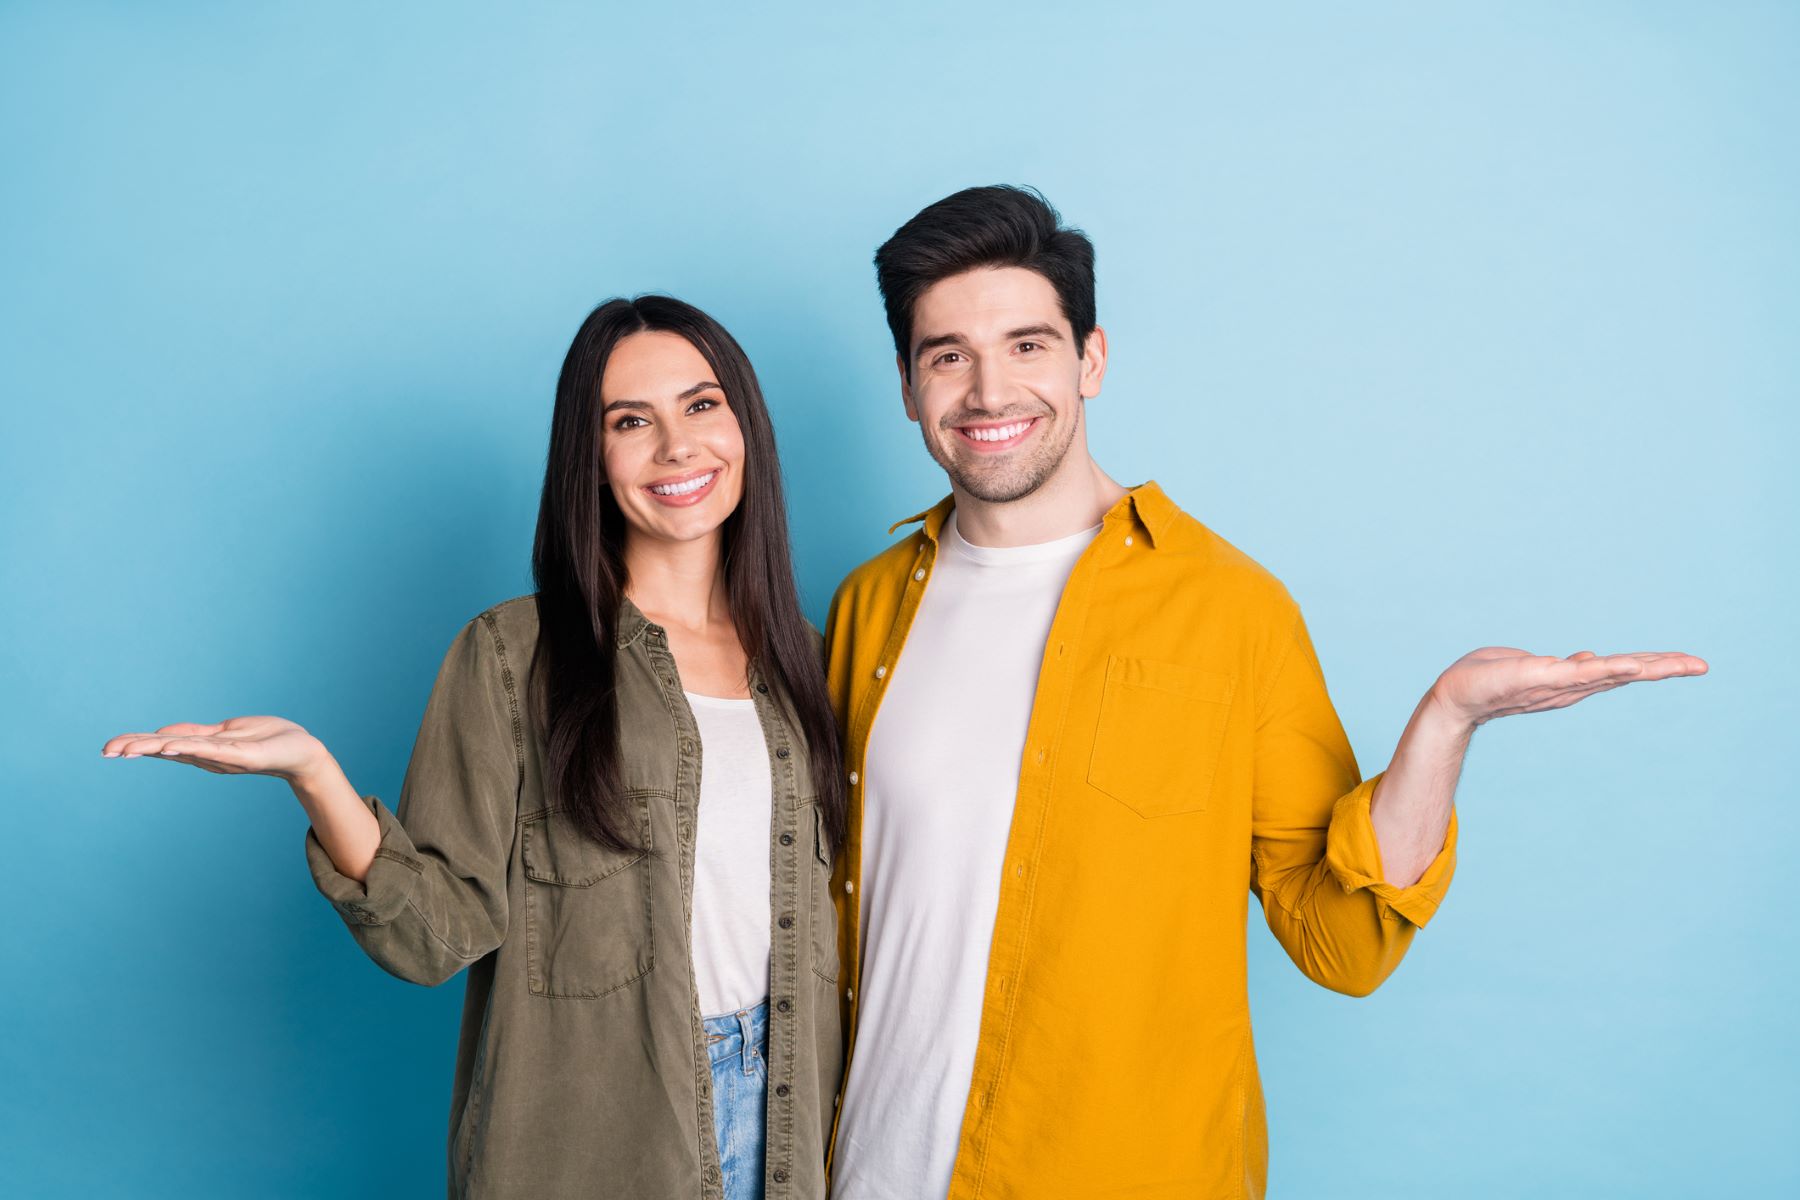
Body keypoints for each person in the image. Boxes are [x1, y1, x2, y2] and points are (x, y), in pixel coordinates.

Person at [820, 186, 1707, 1199]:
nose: (989, 391)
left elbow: (1344, 941)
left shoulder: (1230, 609)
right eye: (949, 355)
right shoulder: (869, 608)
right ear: (906, 384)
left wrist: (1445, 723)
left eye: (1027, 345)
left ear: (1091, 360)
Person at [102, 295, 847, 1200]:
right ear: (590, 455)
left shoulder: (811, 660)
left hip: (791, 1127)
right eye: (629, 421)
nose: (676, 446)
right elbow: (434, 935)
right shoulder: (513, 655)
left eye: (701, 405)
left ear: (745, 426)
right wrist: (314, 773)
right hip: (596, 1140)